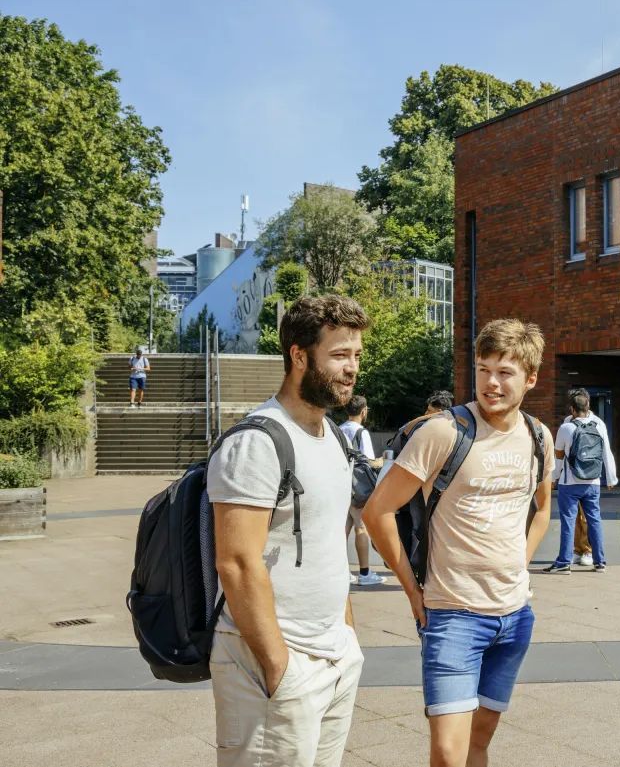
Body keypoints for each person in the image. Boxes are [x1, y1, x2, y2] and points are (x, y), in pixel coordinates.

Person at [362, 319, 554, 767]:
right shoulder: (443, 432)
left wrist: (521, 564)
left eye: (504, 372)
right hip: (452, 615)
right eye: (484, 369)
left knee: (478, 744)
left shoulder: (539, 436)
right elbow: (377, 511)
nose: (491, 383)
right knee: (449, 754)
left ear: (530, 378)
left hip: (515, 617)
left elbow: (543, 509)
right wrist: (412, 591)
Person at [207, 295, 370, 767]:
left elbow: (328, 544)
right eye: (339, 355)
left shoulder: (332, 436)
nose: (352, 368)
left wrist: (347, 637)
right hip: (274, 662)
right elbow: (237, 563)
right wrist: (278, 665)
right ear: (299, 355)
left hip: (335, 655)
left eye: (356, 355)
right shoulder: (256, 442)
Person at [543, 388, 618, 574]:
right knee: (595, 520)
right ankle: (600, 562)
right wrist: (611, 477)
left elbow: (558, 457)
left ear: (572, 409)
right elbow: (606, 453)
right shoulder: (599, 425)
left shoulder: (566, 428)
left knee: (568, 522)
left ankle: (564, 562)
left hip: (570, 483)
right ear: (588, 406)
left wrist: (553, 478)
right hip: (593, 482)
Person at [340, 394, 387, 587]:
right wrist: (383, 461)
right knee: (361, 528)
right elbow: (368, 461)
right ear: (363, 411)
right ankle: (365, 573)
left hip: (342, 485)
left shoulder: (337, 429)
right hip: (358, 487)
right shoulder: (361, 432)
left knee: (343, 529)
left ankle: (342, 571)